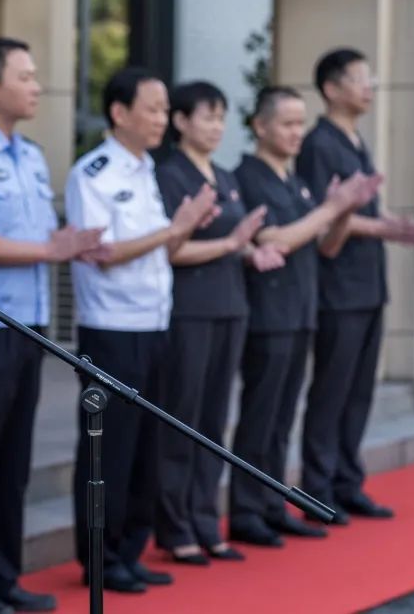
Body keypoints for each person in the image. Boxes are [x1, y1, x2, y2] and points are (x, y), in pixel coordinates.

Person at [0, 37, 103, 614]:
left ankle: (3, 574)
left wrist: (63, 247)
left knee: (12, 461)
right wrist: (48, 249)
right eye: (25, 76)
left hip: (27, 325)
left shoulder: (30, 155)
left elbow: (42, 241)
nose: (37, 86)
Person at [66, 67, 218, 593]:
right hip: (112, 326)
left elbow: (162, 247)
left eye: (162, 110)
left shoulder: (146, 168)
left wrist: (185, 229)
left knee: (147, 446)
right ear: (119, 112)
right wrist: (174, 229)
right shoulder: (95, 172)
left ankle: (130, 549)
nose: (160, 120)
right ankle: (99, 560)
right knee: (108, 447)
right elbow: (101, 253)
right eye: (152, 109)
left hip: (156, 321)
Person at [229, 86, 381, 547]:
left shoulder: (296, 181)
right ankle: (246, 510)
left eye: (300, 123)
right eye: (288, 124)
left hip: (301, 310)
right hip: (268, 315)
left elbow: (325, 245)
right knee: (259, 417)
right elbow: (277, 239)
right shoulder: (248, 177)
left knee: (280, 420)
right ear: (261, 126)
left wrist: (341, 212)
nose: (298, 133)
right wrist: (331, 208)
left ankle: (274, 503)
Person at [297, 48, 414, 523]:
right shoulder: (319, 144)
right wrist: (382, 228)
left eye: (371, 80)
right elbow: (323, 216)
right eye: (359, 79)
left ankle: (347, 481)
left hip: (366, 284)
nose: (369, 88)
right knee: (332, 389)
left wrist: (397, 227)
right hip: (337, 286)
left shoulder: (355, 140)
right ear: (331, 89)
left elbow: (363, 214)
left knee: (358, 390)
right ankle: (317, 487)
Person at [153, 81, 285, 565]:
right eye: (206, 117)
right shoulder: (169, 175)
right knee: (182, 419)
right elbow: (171, 248)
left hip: (232, 306)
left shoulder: (227, 176)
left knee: (212, 421)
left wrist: (254, 251)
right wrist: (232, 247)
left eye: (220, 117)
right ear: (181, 121)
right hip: (190, 309)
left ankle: (207, 519)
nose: (215, 127)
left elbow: (237, 238)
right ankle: (175, 524)